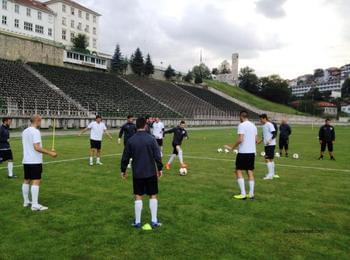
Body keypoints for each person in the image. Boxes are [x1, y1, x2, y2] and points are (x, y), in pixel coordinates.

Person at [121, 117, 163, 229]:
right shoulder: (151, 139)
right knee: (153, 195)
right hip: (150, 172)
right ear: (145, 125)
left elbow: (125, 157)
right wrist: (160, 169)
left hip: (138, 173)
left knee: (138, 196)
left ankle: (138, 222)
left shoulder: (131, 140)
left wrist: (123, 170)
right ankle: (154, 221)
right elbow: (157, 156)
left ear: (136, 126)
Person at [22, 115, 57, 211]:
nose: (40, 122)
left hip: (26, 160)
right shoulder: (36, 131)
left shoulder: (25, 131)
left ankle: (26, 201)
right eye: (40, 121)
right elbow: (37, 147)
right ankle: (35, 205)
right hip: (34, 160)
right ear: (37, 121)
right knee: (36, 181)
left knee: (26, 180)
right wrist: (51, 153)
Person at [226, 111, 258, 200]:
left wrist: (232, 147)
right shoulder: (253, 126)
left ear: (241, 116)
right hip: (252, 152)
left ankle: (243, 193)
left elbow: (240, 139)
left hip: (243, 152)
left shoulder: (242, 125)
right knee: (250, 172)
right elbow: (256, 140)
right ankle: (251, 194)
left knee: (238, 170)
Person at [259, 114, 279, 180]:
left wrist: (269, 140)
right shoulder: (264, 126)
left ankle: (270, 175)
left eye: (261, 119)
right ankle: (272, 174)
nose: (260, 120)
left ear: (265, 118)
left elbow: (274, 133)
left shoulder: (269, 124)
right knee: (270, 159)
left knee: (267, 159)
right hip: (267, 145)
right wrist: (260, 141)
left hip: (270, 145)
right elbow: (264, 135)